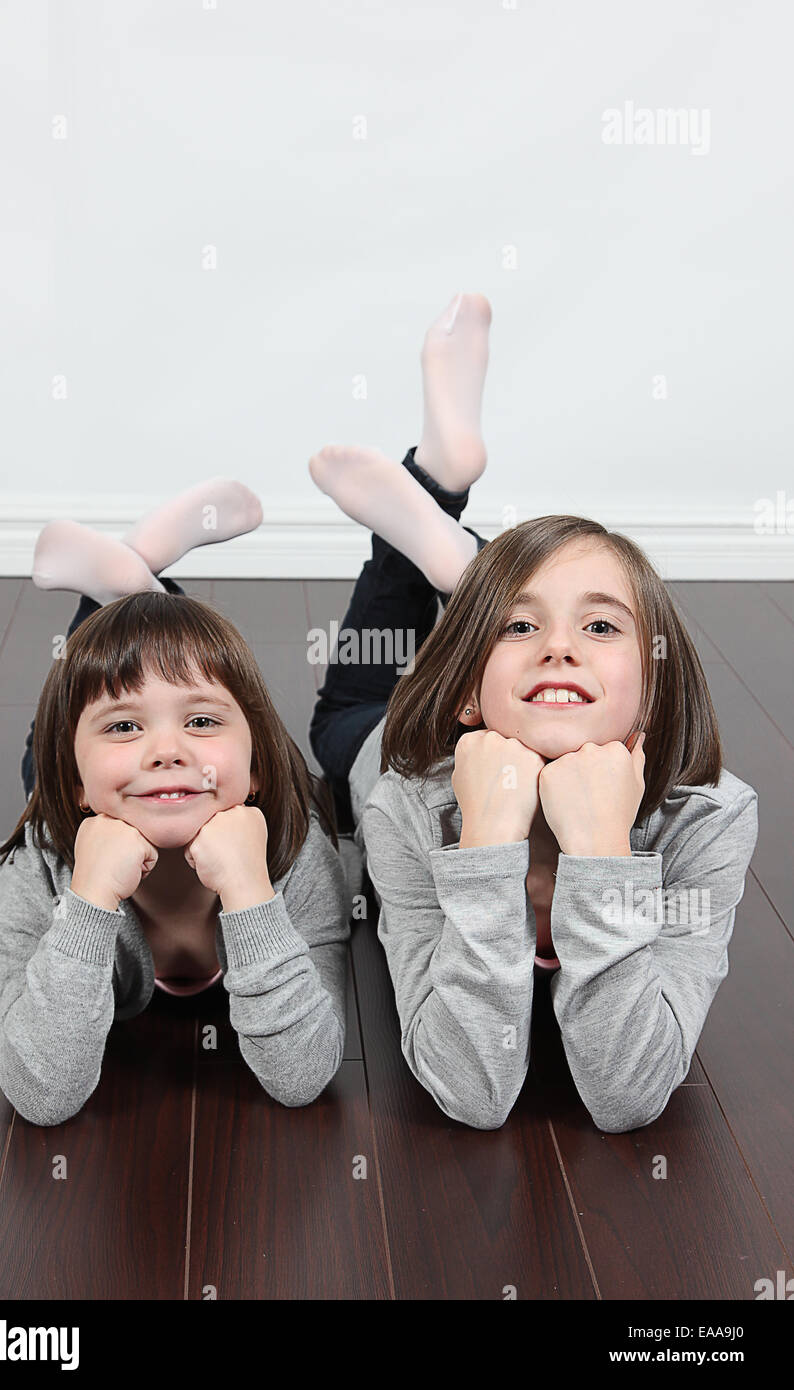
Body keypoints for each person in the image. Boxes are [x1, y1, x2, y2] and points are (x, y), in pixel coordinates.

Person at [308, 292, 759, 1134]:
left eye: (599, 626)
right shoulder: (409, 799)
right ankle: (448, 535)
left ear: (654, 687)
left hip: (490, 710)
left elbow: (627, 1096)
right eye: (525, 627)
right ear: (467, 698)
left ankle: (442, 514)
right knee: (351, 718)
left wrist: (601, 852)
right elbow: (470, 1093)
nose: (559, 647)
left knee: (349, 701)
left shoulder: (707, 817)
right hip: (408, 743)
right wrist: (483, 845)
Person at [0, 481, 349, 1127]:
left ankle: (125, 577)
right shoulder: (43, 874)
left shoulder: (298, 861)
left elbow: (301, 1080)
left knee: (139, 686)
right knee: (56, 743)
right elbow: (43, 1098)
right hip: (82, 809)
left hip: (163, 790)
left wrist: (250, 891)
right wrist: (87, 902)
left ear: (259, 774)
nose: (166, 750)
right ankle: (126, 581)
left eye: (203, 722)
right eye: (126, 728)